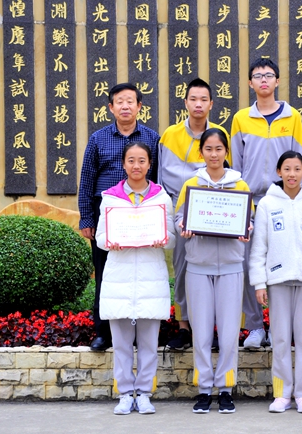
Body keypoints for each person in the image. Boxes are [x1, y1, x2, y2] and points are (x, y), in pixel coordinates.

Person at [78, 83, 160, 351]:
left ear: (139, 106)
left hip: (142, 213)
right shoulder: (98, 139)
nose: (125, 106)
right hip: (106, 213)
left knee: (139, 272)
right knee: (105, 273)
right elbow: (87, 179)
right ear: (111, 107)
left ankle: (137, 332)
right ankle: (103, 333)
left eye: (130, 101)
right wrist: (87, 218)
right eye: (119, 102)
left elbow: (157, 179)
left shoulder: (152, 138)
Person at [95, 141, 175, 415]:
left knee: (149, 344)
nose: (136, 166)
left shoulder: (161, 198)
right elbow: (101, 238)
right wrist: (111, 242)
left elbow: (172, 239)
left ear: (150, 164)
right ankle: (125, 394)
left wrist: (162, 239)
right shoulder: (111, 198)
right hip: (120, 277)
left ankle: (144, 394)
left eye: (142, 160)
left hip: (151, 278)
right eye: (131, 160)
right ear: (124, 164)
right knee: (121, 345)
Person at [175, 128, 251, 414]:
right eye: (208, 149)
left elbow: (249, 219)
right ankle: (204, 389)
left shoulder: (239, 185)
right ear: (201, 152)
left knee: (229, 333)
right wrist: (183, 226)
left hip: (231, 266)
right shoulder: (191, 184)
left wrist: (247, 228)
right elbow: (179, 217)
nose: (214, 154)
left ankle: (226, 389)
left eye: (219, 149)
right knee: (202, 332)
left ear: (226, 152)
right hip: (198, 266)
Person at [231, 57, 302, 349]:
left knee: (279, 262)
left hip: (281, 199)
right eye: (258, 76)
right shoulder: (241, 118)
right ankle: (254, 326)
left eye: (269, 75)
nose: (264, 80)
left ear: (277, 81)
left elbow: (298, 160)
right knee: (248, 264)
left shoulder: (292, 117)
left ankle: (278, 326)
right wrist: (240, 199)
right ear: (250, 83)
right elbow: (236, 165)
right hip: (249, 201)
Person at [250, 151, 302, 414]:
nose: (291, 174)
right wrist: (260, 282)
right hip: (277, 279)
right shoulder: (267, 204)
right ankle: (282, 394)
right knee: (280, 339)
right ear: (278, 172)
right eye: (286, 169)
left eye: (296, 169)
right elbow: (259, 246)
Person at [159, 78, 230, 350]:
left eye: (203, 100)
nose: (198, 104)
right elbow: (163, 179)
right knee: (183, 269)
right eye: (193, 99)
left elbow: (229, 174)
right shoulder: (170, 135)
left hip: (215, 212)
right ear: (185, 102)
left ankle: (214, 328)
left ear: (211, 104)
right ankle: (184, 326)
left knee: (217, 270)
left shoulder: (219, 134)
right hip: (183, 212)